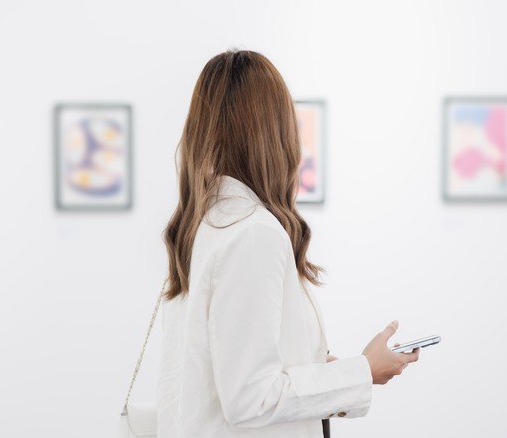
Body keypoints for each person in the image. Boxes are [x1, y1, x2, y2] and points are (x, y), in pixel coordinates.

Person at [157, 49, 419, 438]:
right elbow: (251, 398)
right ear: (274, 132)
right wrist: (361, 371)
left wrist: (324, 374)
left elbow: (223, 377)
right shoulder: (252, 233)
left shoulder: (205, 225)